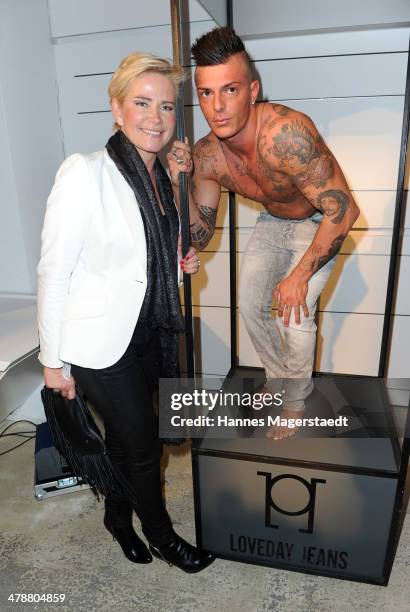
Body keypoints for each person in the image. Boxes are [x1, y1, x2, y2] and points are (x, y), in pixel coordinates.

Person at [37, 51, 214, 573]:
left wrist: (181, 251)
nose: (156, 117)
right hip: (99, 342)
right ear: (117, 109)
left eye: (165, 106)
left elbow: (147, 251)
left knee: (134, 438)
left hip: (151, 332)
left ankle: (118, 516)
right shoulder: (85, 172)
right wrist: (52, 362)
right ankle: (162, 536)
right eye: (142, 103)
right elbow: (55, 270)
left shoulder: (161, 180)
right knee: (140, 447)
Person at [179, 27, 360, 439]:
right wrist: (180, 180)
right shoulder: (207, 155)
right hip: (272, 222)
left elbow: (344, 209)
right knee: (249, 304)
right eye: (206, 93)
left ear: (253, 89)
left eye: (230, 90)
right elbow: (201, 235)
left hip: (318, 223)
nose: (218, 107)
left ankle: (295, 401)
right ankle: (279, 381)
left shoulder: (286, 135)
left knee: (294, 314)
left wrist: (298, 276)